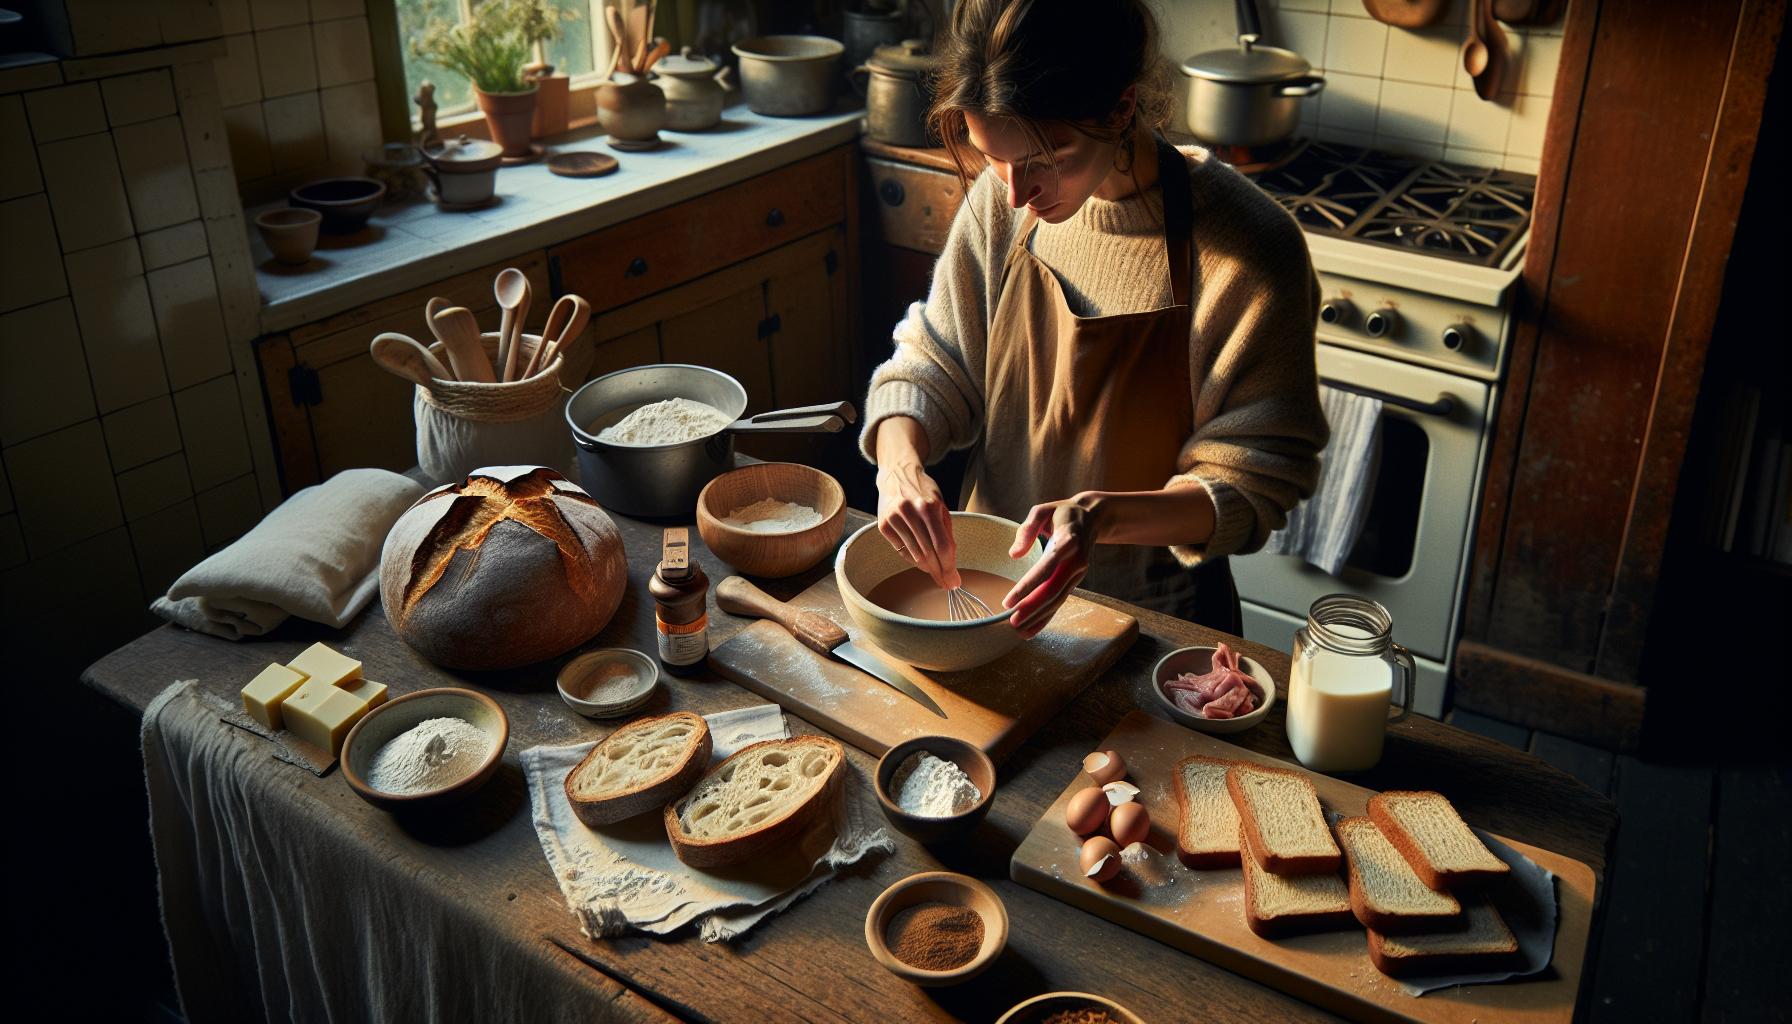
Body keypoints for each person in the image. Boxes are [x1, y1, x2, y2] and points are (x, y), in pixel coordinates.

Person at [860, 0, 1330, 638]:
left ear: (1122, 107)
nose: (1016, 192)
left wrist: (1100, 518)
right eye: (992, 157)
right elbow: (932, 363)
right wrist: (899, 464)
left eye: (1048, 159)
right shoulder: (999, 207)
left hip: (1154, 629)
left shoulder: (1248, 250)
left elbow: (1255, 479)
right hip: (989, 608)